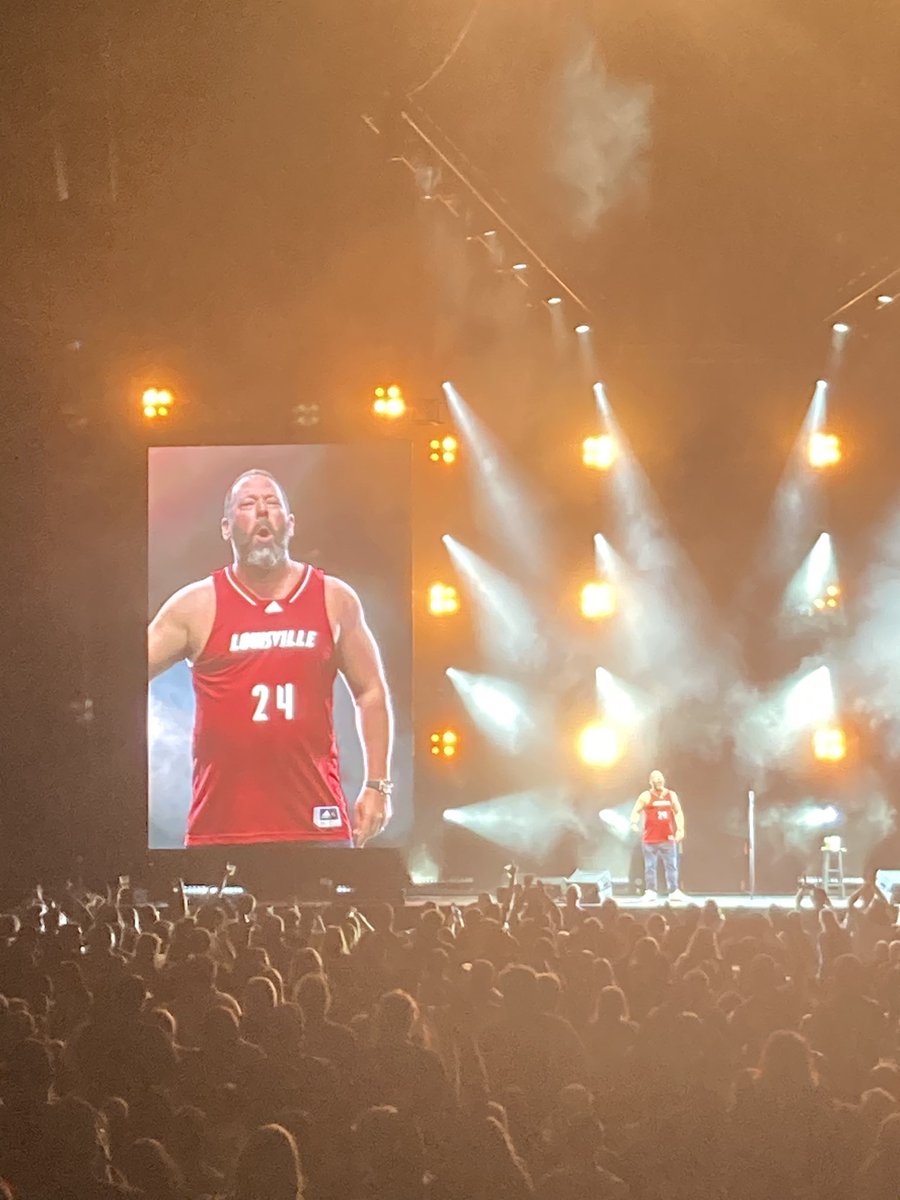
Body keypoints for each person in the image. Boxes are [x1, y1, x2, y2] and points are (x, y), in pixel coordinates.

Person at [148, 469, 393, 848]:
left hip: (315, 820)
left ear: (290, 524)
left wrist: (378, 785)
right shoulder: (194, 605)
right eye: (248, 504)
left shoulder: (333, 598)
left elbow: (371, 691)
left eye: (272, 503)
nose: (262, 511)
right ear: (226, 528)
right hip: (221, 826)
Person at [629, 770, 686, 903]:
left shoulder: (671, 795)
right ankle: (650, 891)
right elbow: (636, 811)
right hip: (650, 839)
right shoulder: (646, 796)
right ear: (651, 782)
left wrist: (680, 829)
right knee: (650, 866)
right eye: (656, 779)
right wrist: (633, 823)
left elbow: (678, 812)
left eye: (660, 778)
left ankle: (674, 891)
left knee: (671, 865)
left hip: (667, 838)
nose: (659, 781)